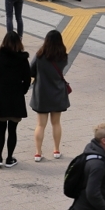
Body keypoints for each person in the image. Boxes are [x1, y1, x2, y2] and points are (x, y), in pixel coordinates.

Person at [0, 31, 31, 168]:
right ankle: (9, 158)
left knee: (1, 129)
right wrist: (21, 91)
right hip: (16, 98)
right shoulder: (23, 59)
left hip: (1, 98)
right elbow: (28, 80)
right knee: (13, 129)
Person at [29, 30, 71, 162]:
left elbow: (31, 70)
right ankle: (56, 150)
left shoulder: (40, 55)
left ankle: (38, 152)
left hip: (42, 93)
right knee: (56, 123)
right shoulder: (63, 56)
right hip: (57, 92)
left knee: (40, 125)